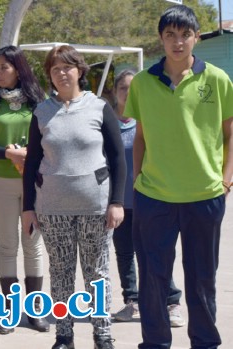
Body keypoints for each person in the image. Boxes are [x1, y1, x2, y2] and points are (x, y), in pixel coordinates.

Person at [124, 5, 233, 348]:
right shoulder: (142, 82)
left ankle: (204, 342)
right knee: (154, 279)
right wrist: (139, 181)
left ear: (196, 38)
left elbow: (231, 133)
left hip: (205, 196)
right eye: (170, 35)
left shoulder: (216, 79)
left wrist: (226, 180)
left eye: (185, 34)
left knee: (202, 279)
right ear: (161, 39)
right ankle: (155, 343)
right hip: (154, 198)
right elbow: (139, 137)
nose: (178, 42)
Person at [22, 45, 126, 349]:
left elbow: (118, 158)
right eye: (55, 69)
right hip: (53, 208)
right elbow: (31, 164)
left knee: (97, 272)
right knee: (61, 271)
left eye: (67, 67)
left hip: (95, 206)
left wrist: (116, 201)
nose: (62, 74)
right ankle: (64, 335)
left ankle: (102, 334)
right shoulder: (42, 112)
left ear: (80, 71)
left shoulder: (99, 107)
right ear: (50, 76)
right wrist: (29, 207)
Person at [0, 45, 50, 334]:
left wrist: (30, 154)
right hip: (0, 182)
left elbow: (48, 136)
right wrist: (11, 154)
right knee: (8, 245)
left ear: (18, 68)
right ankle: (10, 312)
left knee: (33, 245)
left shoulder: (38, 99)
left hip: (34, 182)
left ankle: (35, 313)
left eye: (3, 67)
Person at [109, 69, 185, 327]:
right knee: (124, 254)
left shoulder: (148, 121)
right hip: (118, 204)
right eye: (123, 88)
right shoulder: (107, 124)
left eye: (132, 89)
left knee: (156, 253)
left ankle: (171, 301)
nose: (128, 93)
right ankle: (133, 302)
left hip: (149, 199)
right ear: (115, 92)